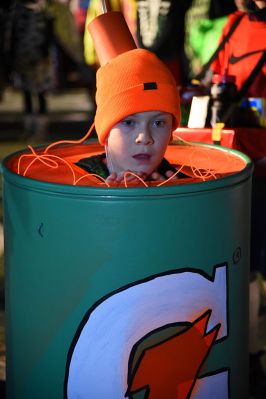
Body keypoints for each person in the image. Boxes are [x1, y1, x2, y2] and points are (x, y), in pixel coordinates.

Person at [75, 48, 187, 184]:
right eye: (129, 122)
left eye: (158, 123)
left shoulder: (186, 183)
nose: (145, 138)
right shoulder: (76, 179)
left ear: (170, 133)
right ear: (105, 131)